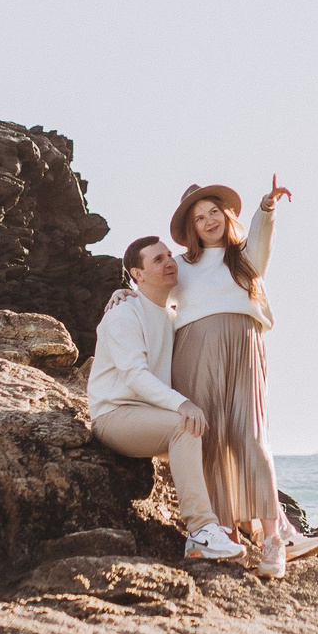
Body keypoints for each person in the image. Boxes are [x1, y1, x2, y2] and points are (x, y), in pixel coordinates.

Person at [170, 175, 318, 576]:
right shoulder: (179, 267)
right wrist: (123, 295)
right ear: (191, 228)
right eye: (199, 218)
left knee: (251, 435)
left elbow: (262, 239)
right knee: (210, 437)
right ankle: (225, 534)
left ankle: (274, 539)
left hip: (244, 346)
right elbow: (152, 294)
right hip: (193, 349)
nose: (208, 222)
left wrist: (267, 207)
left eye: (213, 213)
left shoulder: (243, 258)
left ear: (225, 215)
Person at [87, 235, 246, 562]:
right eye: (157, 259)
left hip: (152, 418)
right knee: (185, 424)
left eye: (169, 255)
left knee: (220, 435)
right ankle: (201, 532)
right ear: (138, 274)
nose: (169, 262)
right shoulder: (123, 314)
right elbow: (134, 375)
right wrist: (182, 404)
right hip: (116, 417)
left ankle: (242, 526)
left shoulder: (172, 317)